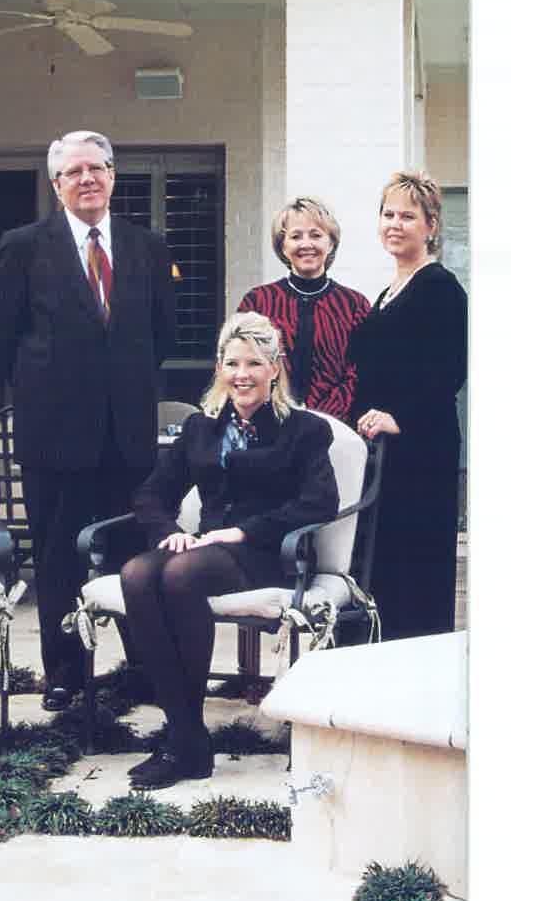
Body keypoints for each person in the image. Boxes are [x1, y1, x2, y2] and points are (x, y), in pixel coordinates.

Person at [0, 129, 175, 713]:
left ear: (113, 175)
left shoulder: (147, 247)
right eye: (73, 171)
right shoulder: (23, 245)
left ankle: (142, 667)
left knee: (134, 554)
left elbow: (163, 334)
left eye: (97, 168)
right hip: (54, 433)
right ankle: (64, 673)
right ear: (55, 183)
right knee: (59, 557)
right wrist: (51, 380)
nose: (87, 179)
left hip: (127, 434)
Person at [121, 312, 339, 789]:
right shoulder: (202, 428)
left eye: (254, 363)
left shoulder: (303, 430)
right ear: (220, 368)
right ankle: (186, 736)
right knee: (136, 573)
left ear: (275, 368)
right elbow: (151, 494)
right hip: (205, 550)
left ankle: (183, 744)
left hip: (268, 553)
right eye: (233, 363)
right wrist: (169, 531)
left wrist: (243, 533)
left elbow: (320, 502)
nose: (243, 374)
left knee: (179, 576)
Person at [347, 170, 468, 641]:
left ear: (431, 225)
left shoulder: (440, 287)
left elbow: (449, 369)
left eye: (408, 216)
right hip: (384, 450)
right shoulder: (388, 292)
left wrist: (401, 418)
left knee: (415, 571)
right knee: (384, 570)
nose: (395, 224)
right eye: (388, 214)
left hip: (421, 450)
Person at [236, 197, 370, 421]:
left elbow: (361, 371)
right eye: (296, 236)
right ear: (282, 246)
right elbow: (241, 365)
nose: (306, 244)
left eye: (316, 235)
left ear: (331, 243)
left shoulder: (354, 305)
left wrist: (321, 417)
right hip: (269, 424)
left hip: (336, 426)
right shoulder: (257, 302)